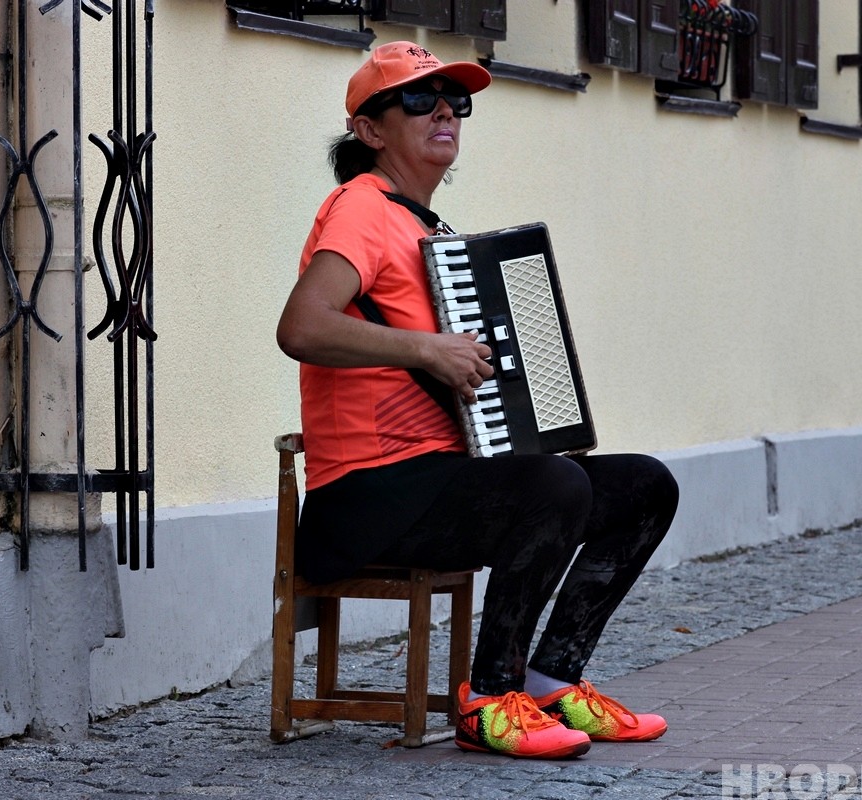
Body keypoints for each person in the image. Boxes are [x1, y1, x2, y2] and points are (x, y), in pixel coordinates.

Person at [276, 41, 679, 760]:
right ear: (370, 131)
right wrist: (428, 349)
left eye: (455, 101)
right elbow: (302, 327)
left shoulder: (427, 228)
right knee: (552, 486)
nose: (443, 111)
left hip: (435, 478)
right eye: (417, 99)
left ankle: (554, 679)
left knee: (644, 485)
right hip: (366, 496)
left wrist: (522, 418)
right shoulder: (359, 209)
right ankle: (490, 698)